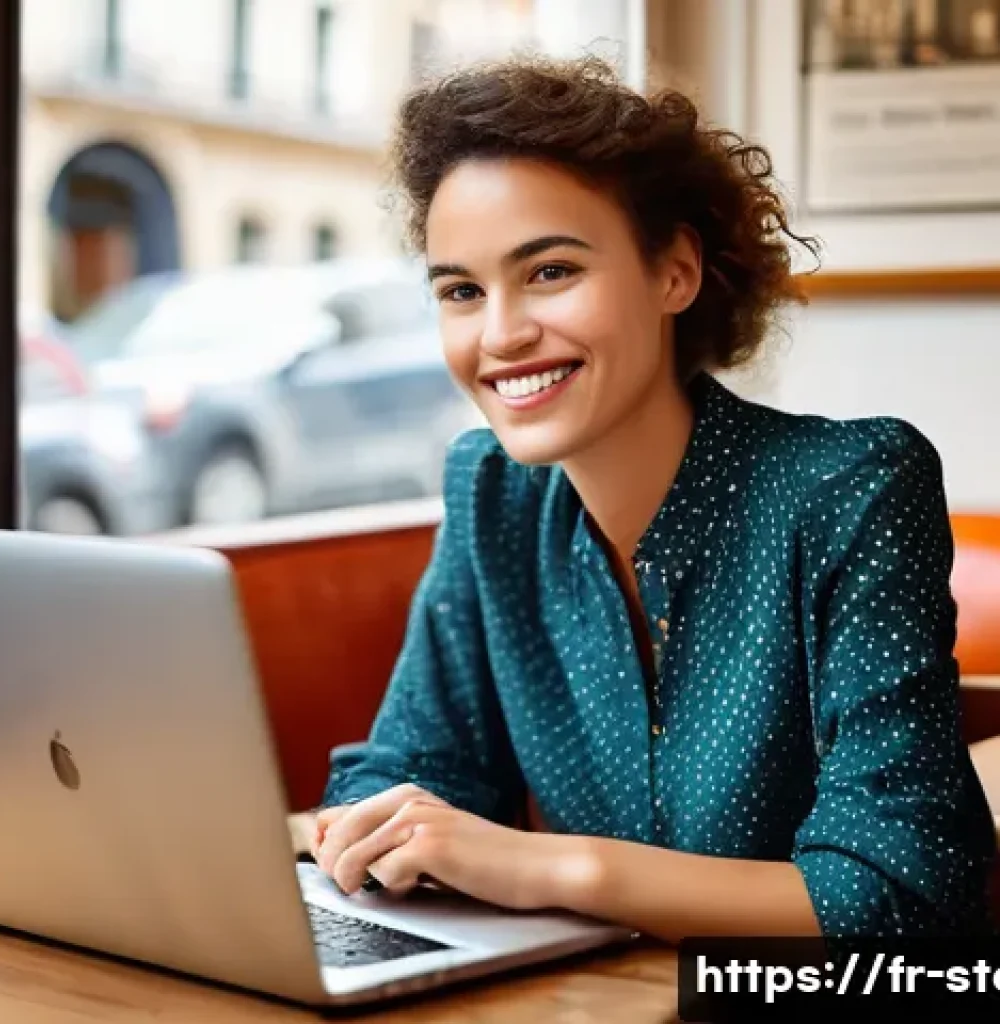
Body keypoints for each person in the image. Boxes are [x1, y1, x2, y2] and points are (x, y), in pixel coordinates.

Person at [311, 55, 996, 939]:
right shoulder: (491, 494)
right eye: (461, 291)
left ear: (675, 272)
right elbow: (409, 770)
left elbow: (898, 896)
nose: (502, 333)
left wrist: (552, 865)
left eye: (551, 271)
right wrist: (374, 828)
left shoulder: (851, 489)